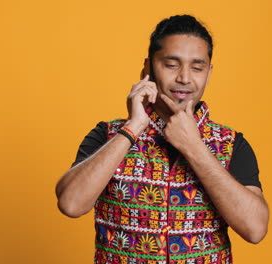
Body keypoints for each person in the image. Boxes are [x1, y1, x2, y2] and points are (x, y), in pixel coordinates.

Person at [55, 15, 269, 264]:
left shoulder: (231, 144)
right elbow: (70, 204)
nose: (185, 78)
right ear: (148, 68)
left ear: (209, 73)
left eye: (197, 67)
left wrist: (194, 148)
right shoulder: (108, 135)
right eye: (171, 65)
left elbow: (255, 230)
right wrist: (132, 128)